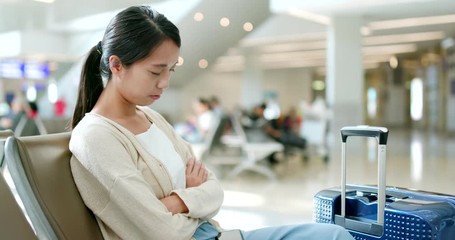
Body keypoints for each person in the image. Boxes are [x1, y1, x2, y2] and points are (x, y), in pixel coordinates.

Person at [69, 5, 354, 240]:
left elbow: (215, 189)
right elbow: (160, 232)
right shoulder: (96, 137)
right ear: (117, 65)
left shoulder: (151, 117)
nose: (165, 82)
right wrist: (193, 195)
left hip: (219, 235)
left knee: (334, 234)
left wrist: (177, 201)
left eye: (170, 70)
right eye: (156, 71)